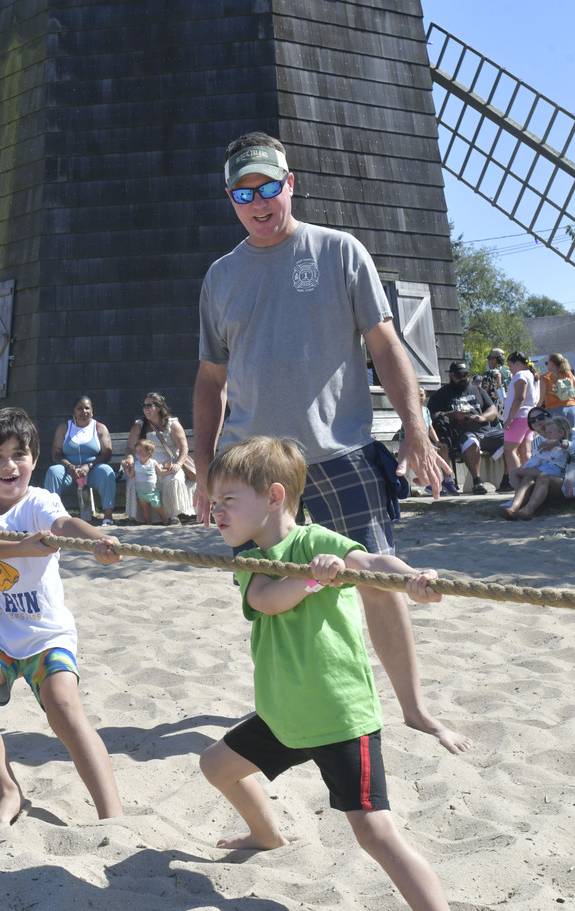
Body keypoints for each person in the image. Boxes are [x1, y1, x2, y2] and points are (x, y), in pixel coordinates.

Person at [192, 131, 466, 755]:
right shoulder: (220, 277)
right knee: (275, 592)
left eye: (268, 186)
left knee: (374, 578)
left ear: (289, 183)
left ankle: (415, 709)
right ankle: (296, 715)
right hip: (255, 469)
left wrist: (416, 429)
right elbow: (211, 379)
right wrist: (206, 466)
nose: (258, 201)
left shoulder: (341, 252)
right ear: (230, 198)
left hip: (337, 452)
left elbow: (385, 346)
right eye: (243, 192)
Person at [199, 436, 456, 911]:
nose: (217, 514)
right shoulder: (252, 559)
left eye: (227, 501)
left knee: (375, 833)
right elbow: (270, 600)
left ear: (273, 497)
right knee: (215, 766)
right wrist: (315, 582)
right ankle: (266, 834)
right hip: (283, 716)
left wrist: (414, 579)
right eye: (214, 504)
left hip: (338, 718)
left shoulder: (318, 542)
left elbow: (373, 565)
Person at [0, 406, 125, 838]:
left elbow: (65, 523)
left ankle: (113, 817)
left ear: (35, 457)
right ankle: (8, 790)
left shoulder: (40, 500)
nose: (10, 465)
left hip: (45, 635)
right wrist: (21, 548)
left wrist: (99, 540)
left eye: (19, 454)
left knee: (64, 708)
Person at [120, 392, 195, 525]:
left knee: (172, 478)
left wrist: (178, 464)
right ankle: (139, 516)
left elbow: (184, 448)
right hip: (145, 463)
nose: (146, 409)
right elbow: (130, 448)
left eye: (150, 405)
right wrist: (130, 458)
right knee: (133, 479)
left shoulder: (172, 424)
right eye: (144, 406)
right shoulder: (140, 425)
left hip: (168, 463)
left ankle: (173, 515)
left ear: (159, 407)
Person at [426, 361, 499, 494]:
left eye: (465, 375)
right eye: (458, 376)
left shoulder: (478, 390)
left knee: (513, 437)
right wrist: (453, 415)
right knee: (470, 441)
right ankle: (477, 482)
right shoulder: (441, 394)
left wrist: (482, 417)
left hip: (486, 431)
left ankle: (509, 479)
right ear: (451, 376)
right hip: (461, 433)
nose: (462, 379)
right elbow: (431, 415)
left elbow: (492, 410)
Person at [43, 396, 117, 525]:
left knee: (107, 471)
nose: (84, 411)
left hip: (93, 470)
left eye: (87, 408)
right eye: (80, 408)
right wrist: (69, 466)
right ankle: (51, 515)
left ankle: (108, 516)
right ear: (74, 410)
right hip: (70, 472)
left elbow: (107, 454)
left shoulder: (99, 427)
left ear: (92, 410)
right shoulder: (64, 427)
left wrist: (89, 465)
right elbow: (56, 454)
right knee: (53, 472)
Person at [501, 411, 575, 520]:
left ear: (561, 433)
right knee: (527, 479)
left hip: (559, 480)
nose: (547, 435)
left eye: (550, 432)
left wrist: (558, 443)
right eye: (532, 420)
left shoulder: (568, 442)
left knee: (522, 473)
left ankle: (527, 508)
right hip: (544, 473)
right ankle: (514, 507)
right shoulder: (539, 441)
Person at [500, 351, 540, 473]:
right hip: (530, 417)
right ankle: (529, 479)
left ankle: (516, 480)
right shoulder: (533, 376)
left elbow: (519, 398)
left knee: (510, 450)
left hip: (519, 417)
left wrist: (510, 418)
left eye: (510, 366)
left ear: (517, 363)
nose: (510, 369)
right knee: (525, 451)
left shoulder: (520, 376)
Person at [539, 353, 575, 430]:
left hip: (555, 409)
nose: (547, 365)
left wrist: (534, 410)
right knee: (570, 434)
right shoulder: (569, 374)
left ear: (552, 364)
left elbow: (541, 399)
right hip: (572, 408)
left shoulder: (545, 378)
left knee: (557, 436)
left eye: (547, 363)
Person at [130, 438, 163, 523]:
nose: (137, 453)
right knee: (145, 508)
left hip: (152, 491)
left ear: (149, 453)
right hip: (141, 492)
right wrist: (126, 471)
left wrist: (170, 471)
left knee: (157, 507)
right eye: (136, 450)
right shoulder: (136, 464)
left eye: (140, 451)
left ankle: (165, 520)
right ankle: (148, 523)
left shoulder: (153, 462)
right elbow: (131, 475)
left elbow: (161, 472)